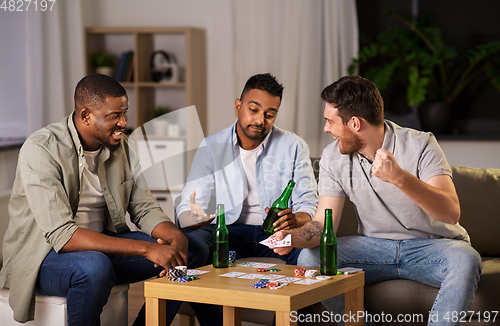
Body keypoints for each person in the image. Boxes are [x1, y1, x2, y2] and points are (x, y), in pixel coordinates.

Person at [272, 75, 482, 325]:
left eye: (330, 121)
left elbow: (450, 212)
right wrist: (289, 238)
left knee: (466, 260)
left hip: (432, 247)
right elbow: (322, 226)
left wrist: (399, 177)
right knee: (311, 259)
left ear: (355, 123)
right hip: (374, 249)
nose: (326, 129)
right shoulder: (333, 157)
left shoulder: (421, 144)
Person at [0, 74, 189, 326]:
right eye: (114, 116)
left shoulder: (121, 146)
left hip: (101, 247)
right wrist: (148, 248)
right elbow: (62, 235)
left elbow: (143, 208)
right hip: (44, 257)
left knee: (190, 250)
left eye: (125, 113)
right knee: (94, 267)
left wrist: (175, 237)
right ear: (86, 115)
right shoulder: (41, 149)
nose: (123, 122)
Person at [176, 73, 318, 268]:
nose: (260, 120)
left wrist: (294, 219)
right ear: (238, 107)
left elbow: (309, 205)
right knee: (188, 246)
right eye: (253, 110)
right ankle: (166, 299)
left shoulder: (294, 146)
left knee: (312, 252)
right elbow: (187, 205)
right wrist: (194, 218)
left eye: (269, 114)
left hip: (276, 234)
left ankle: (302, 298)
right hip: (226, 230)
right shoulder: (212, 146)